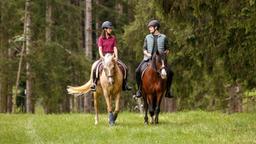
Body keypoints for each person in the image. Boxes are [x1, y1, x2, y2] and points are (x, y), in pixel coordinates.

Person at [134, 20, 173, 98]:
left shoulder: (164, 37)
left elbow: (167, 49)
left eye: (151, 27)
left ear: (156, 27)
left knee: (171, 72)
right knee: (137, 71)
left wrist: (164, 53)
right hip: (148, 59)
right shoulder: (147, 37)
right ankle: (139, 90)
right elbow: (144, 49)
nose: (149, 29)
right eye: (149, 28)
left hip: (160, 60)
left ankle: (168, 91)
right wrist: (148, 54)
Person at [90, 21, 131, 91]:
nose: (111, 30)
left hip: (112, 57)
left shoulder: (113, 38)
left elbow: (115, 48)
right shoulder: (101, 39)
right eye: (109, 29)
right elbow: (100, 48)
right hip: (104, 57)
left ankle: (125, 84)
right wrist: (102, 56)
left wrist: (116, 56)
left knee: (124, 67)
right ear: (105, 29)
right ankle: (94, 83)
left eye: (111, 29)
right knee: (95, 68)